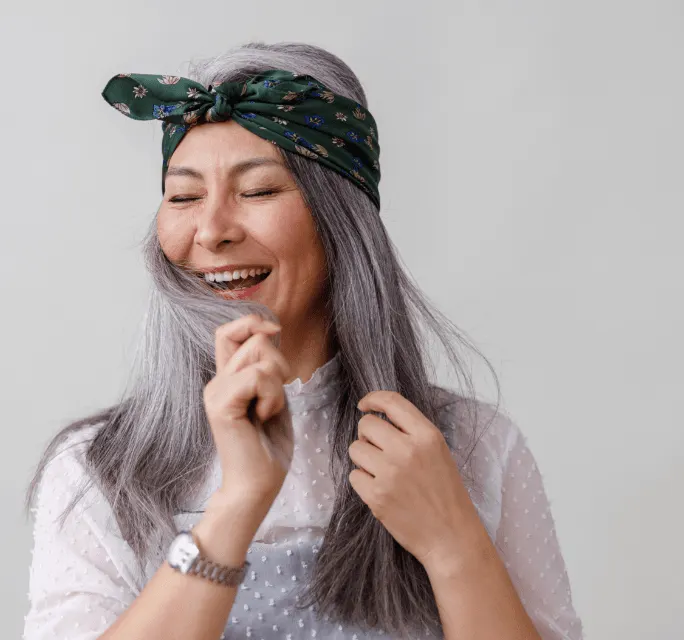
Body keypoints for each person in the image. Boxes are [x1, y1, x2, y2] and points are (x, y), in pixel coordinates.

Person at [23, 42, 584, 640]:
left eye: (259, 191)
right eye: (184, 197)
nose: (211, 231)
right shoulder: (97, 468)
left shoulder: (477, 447)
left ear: (339, 219)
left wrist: (455, 546)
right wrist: (238, 502)